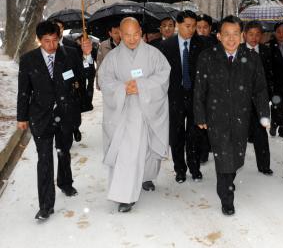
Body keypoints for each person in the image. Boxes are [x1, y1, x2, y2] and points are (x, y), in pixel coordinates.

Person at [193, 15, 269, 216]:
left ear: (242, 35)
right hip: (215, 116)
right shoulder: (207, 56)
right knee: (223, 155)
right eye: (226, 34)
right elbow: (199, 89)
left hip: (241, 116)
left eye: (235, 34)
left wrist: (264, 113)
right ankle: (226, 197)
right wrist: (200, 115)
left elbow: (260, 89)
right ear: (218, 36)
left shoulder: (251, 57)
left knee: (236, 155)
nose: (231, 38)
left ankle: (228, 179)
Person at [98, 17, 170, 213]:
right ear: (120, 34)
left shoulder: (154, 54)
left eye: (135, 34)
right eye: (127, 35)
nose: (132, 39)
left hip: (149, 107)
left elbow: (164, 75)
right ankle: (125, 195)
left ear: (141, 32)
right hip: (124, 111)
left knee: (147, 146)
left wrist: (142, 86)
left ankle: (145, 177)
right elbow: (104, 80)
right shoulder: (112, 57)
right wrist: (123, 89)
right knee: (127, 152)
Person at [17, 21, 86, 220]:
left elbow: (82, 78)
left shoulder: (70, 55)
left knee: (64, 152)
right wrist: (22, 117)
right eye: (46, 41)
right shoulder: (29, 60)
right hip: (41, 117)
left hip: (65, 114)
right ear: (39, 40)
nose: (51, 45)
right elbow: (24, 91)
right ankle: (46, 205)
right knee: (44, 159)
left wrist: (87, 57)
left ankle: (65, 182)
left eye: (55, 40)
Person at [159, 10, 207, 183]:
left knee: (194, 135)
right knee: (176, 135)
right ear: (178, 25)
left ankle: (194, 168)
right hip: (174, 98)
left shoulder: (202, 44)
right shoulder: (165, 46)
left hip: (196, 98)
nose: (192, 30)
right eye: (188, 26)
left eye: (194, 26)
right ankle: (179, 169)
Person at [52, 19, 95, 140]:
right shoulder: (46, 49)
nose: (58, 30)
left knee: (73, 117)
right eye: (55, 27)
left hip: (72, 89)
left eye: (60, 27)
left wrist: (87, 55)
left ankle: (74, 128)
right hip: (56, 93)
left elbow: (83, 69)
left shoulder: (71, 46)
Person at [243, 20, 274, 176]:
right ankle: (234, 163)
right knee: (238, 134)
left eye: (257, 34)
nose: (254, 38)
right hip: (241, 100)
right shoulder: (238, 51)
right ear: (244, 35)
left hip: (260, 100)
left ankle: (264, 165)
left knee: (261, 134)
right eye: (251, 34)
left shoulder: (267, 52)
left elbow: (271, 76)